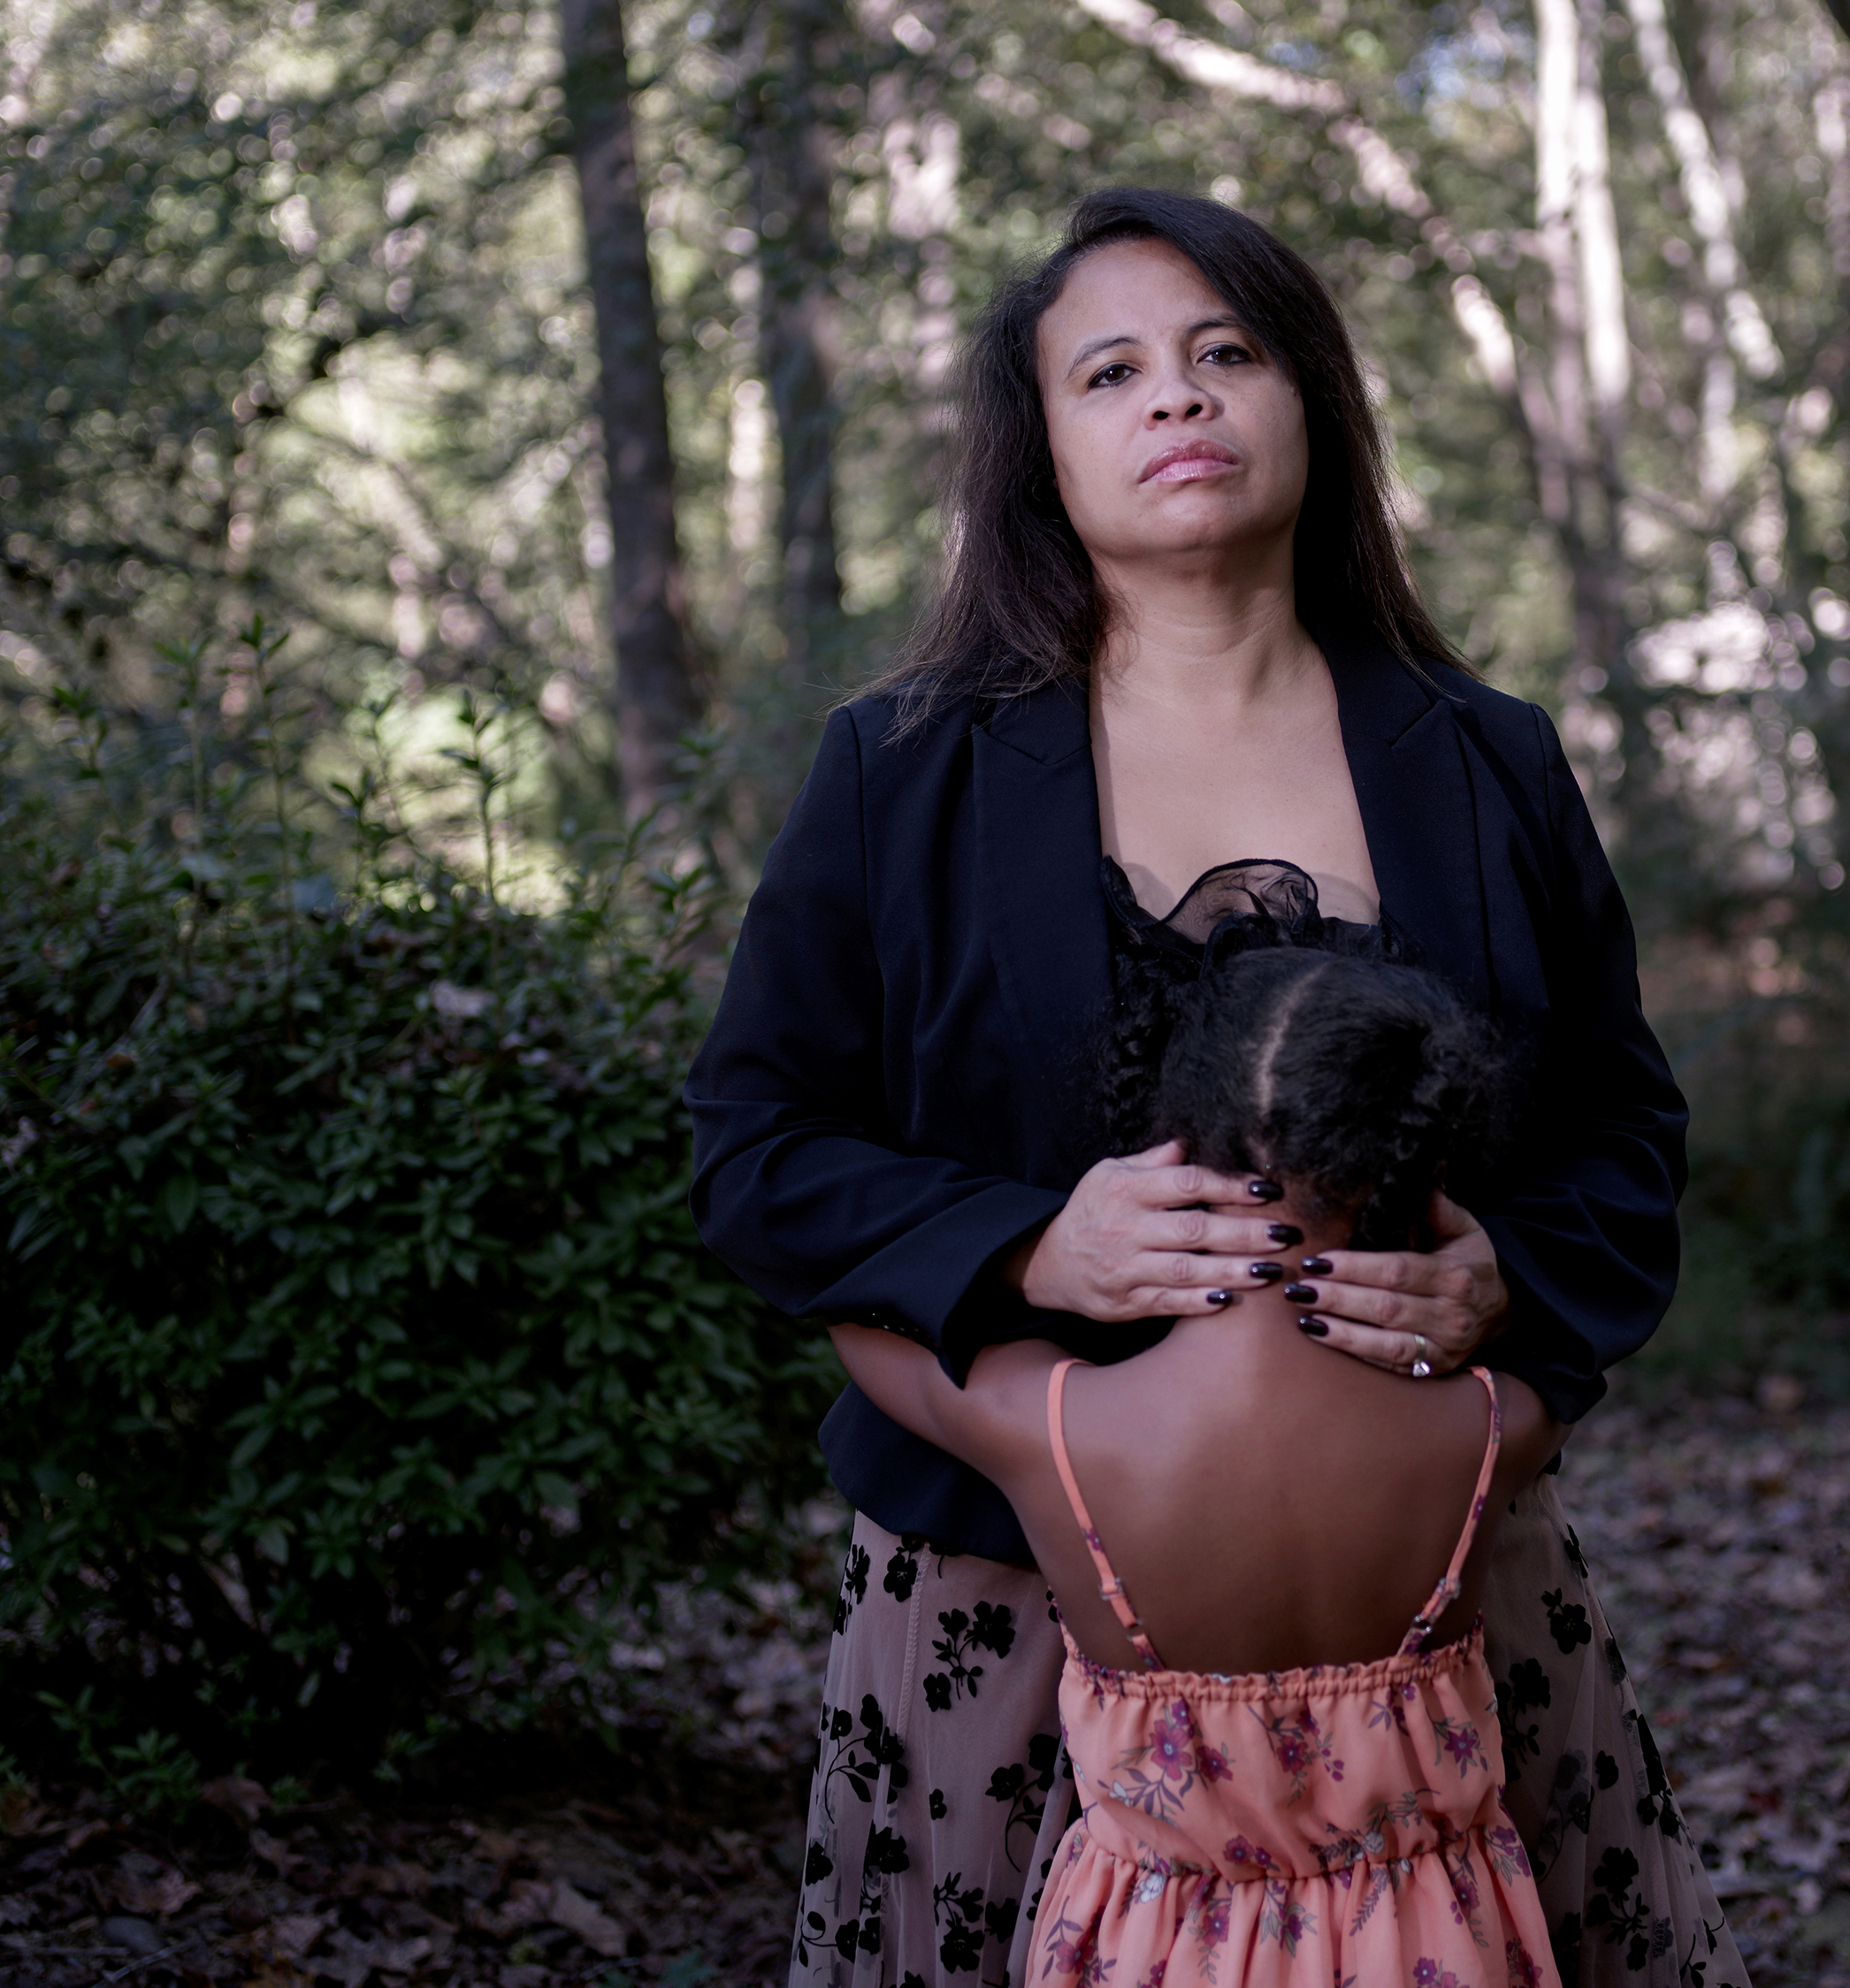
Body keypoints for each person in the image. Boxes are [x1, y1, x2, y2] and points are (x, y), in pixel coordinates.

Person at [686, 187, 1747, 1988]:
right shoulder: (901, 768)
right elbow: (753, 1147)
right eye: (1108, 371)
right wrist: (1028, 1244)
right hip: (996, 1594)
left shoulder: (1486, 760)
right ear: (1041, 452)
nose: (1174, 395)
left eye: (1223, 351)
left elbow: (1624, 1134)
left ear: (1306, 398)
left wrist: (1504, 1271)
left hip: (1425, 1599)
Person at [828, 944, 1559, 1988]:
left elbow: (851, 1303)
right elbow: (1570, 1354)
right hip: (1431, 1943)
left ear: (1166, 1145)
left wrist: (1029, 1247)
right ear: (1424, 1170)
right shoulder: (1492, 1427)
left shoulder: (1060, 1430)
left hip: (1153, 1951)